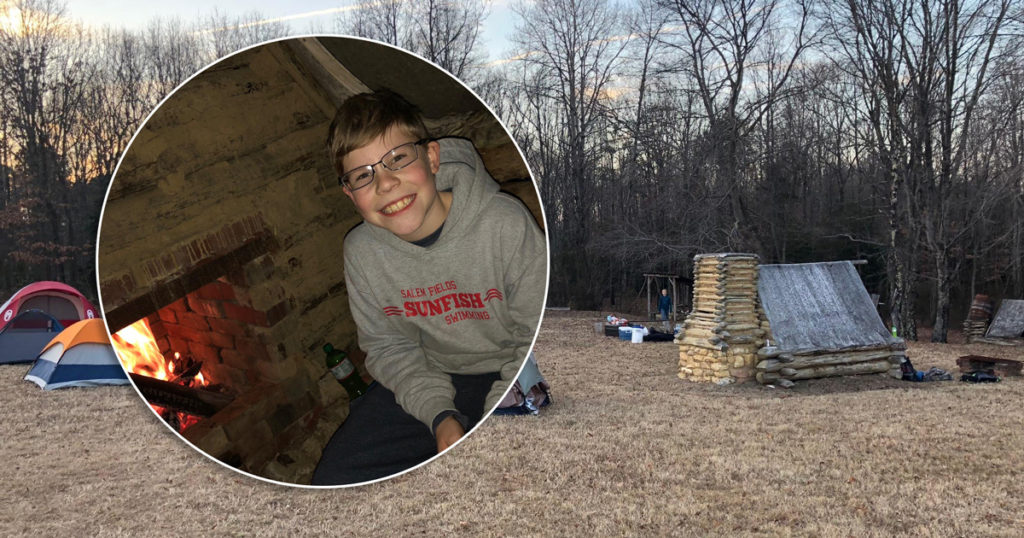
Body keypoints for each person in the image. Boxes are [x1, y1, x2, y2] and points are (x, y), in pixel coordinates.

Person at [311, 90, 547, 485]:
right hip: (430, 374)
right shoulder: (362, 252)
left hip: (515, 366)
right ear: (350, 194)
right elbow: (389, 347)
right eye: (363, 176)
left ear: (432, 158)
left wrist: (493, 420)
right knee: (335, 479)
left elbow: (536, 334)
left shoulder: (504, 225)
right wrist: (440, 415)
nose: (386, 183)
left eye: (398, 158)